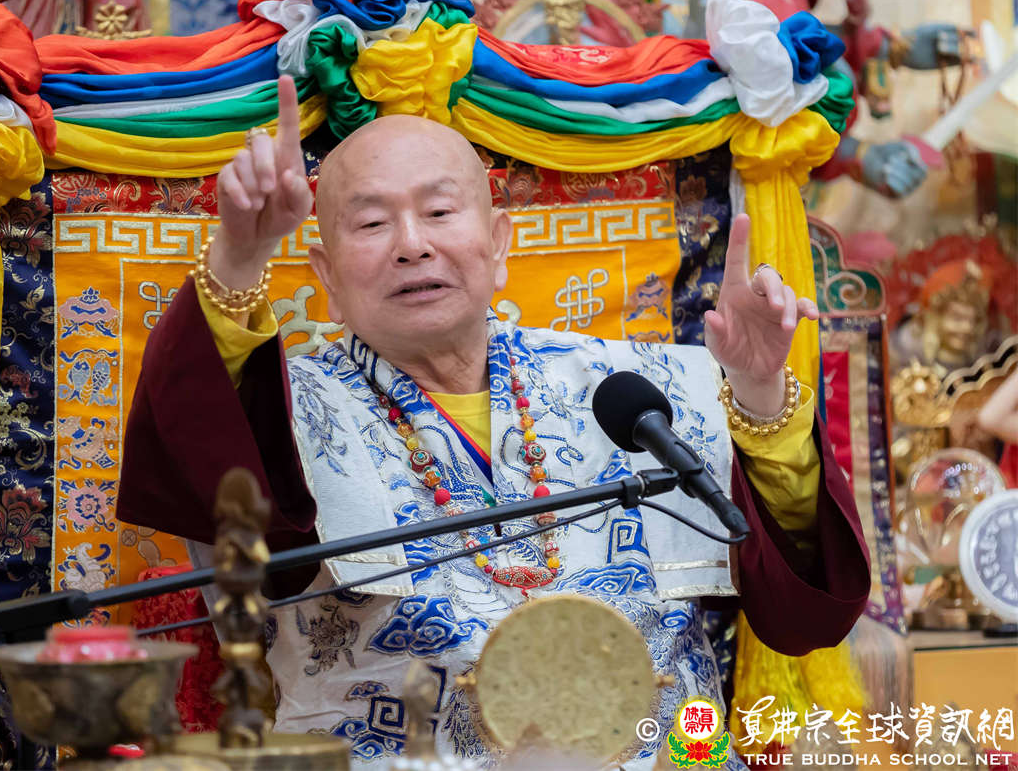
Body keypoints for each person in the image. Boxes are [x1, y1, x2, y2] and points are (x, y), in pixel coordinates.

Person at [118, 77, 869, 767]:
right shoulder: (285, 411)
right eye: (372, 222)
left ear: (499, 243)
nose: (413, 243)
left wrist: (759, 393)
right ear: (326, 275)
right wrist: (240, 255)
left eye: (441, 212)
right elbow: (193, 445)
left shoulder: (630, 389)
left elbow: (803, 605)